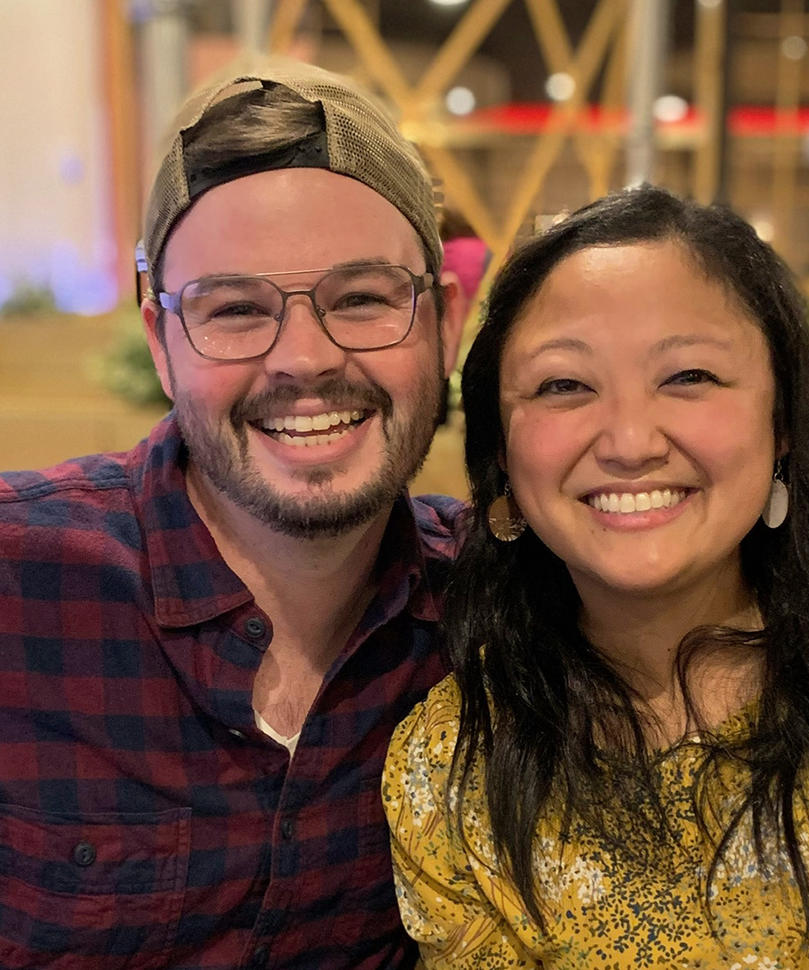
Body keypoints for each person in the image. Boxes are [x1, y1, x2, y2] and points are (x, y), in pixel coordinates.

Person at [382, 184, 809, 967]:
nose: (629, 441)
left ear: (784, 421)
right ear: (501, 462)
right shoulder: (454, 768)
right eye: (564, 385)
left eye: (689, 376)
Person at [0, 57, 463, 969]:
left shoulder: (499, 609)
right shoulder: (20, 585)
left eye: (363, 298)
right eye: (237, 309)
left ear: (443, 323)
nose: (304, 358)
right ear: (161, 345)